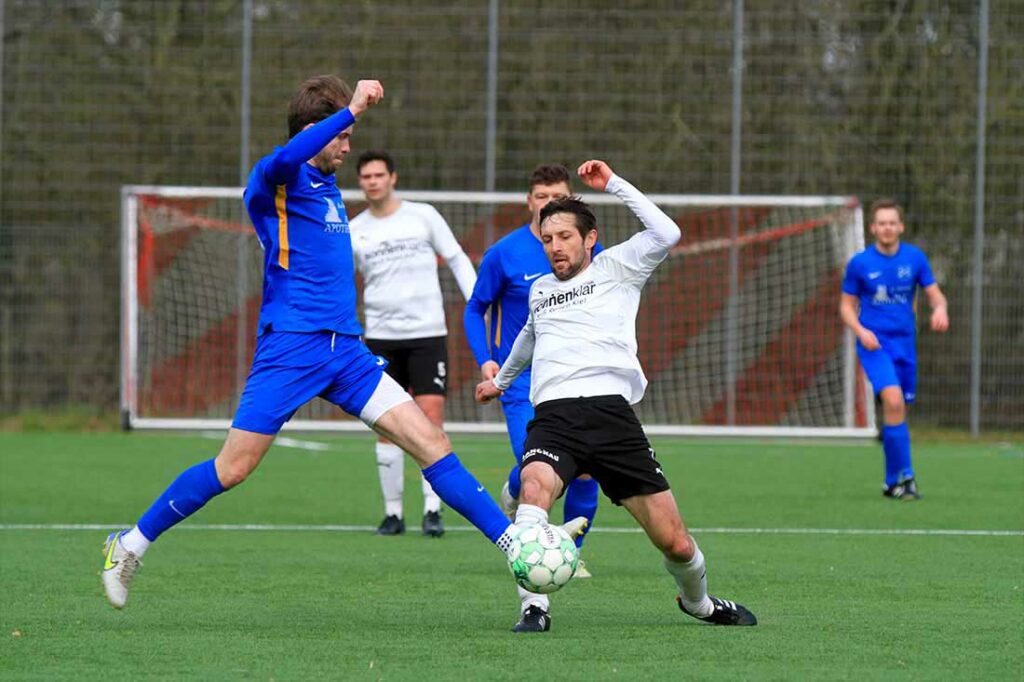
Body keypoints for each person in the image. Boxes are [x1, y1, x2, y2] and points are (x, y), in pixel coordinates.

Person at [100, 75, 567, 610]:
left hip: (347, 354)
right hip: (290, 349)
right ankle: (129, 545)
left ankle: (516, 546)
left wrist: (346, 117)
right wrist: (352, 110)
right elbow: (285, 158)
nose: (347, 147)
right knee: (233, 468)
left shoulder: (327, 190)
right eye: (340, 136)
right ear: (313, 129)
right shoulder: (273, 178)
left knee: (433, 444)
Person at [476, 160, 757, 632]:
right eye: (547, 239)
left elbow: (667, 232)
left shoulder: (618, 266)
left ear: (589, 238)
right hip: (554, 418)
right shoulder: (541, 290)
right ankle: (534, 607)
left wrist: (614, 185)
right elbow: (527, 335)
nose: (555, 247)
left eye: (565, 236)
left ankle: (701, 604)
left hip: (613, 418)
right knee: (533, 489)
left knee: (677, 544)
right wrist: (501, 381)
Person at [464, 164, 602, 571]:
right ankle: (515, 490)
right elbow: (475, 309)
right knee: (539, 466)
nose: (548, 205)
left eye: (557, 198)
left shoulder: (590, 252)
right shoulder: (505, 253)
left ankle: (570, 554)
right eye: (541, 198)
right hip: (524, 382)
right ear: (529, 201)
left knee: (585, 470)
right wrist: (486, 360)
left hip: (576, 379)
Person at [351, 150, 477, 537]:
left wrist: (477, 303)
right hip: (380, 338)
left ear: (393, 177)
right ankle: (392, 514)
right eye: (366, 176)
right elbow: (339, 281)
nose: (372, 181)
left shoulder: (423, 215)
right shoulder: (355, 230)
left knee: (429, 421)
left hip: (427, 335)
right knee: (384, 426)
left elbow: (456, 258)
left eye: (379, 174)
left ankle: (432, 510)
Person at [840, 199, 949, 499]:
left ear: (900, 226)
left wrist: (940, 309)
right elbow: (846, 307)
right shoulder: (860, 263)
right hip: (874, 345)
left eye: (892, 223)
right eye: (881, 223)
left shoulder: (915, 259)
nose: (887, 228)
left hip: (905, 346)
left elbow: (936, 296)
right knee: (893, 400)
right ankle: (908, 477)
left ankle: (892, 482)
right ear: (873, 228)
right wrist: (862, 332)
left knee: (898, 410)